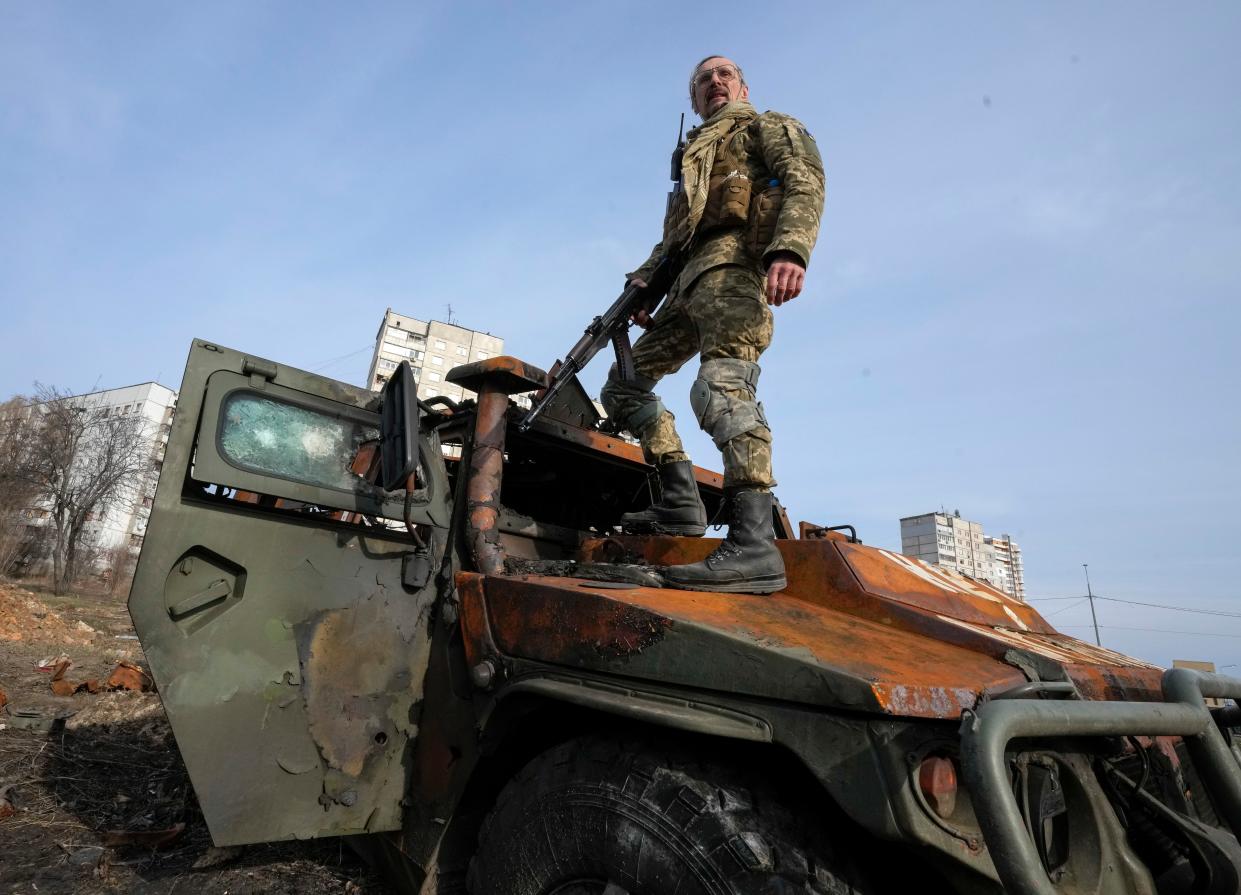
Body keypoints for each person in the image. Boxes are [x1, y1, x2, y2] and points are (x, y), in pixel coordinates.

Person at [600, 55, 825, 594]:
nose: (715, 82)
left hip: (734, 269)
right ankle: (680, 500)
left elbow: (804, 181)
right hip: (685, 285)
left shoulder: (764, 126)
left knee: (721, 386)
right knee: (624, 388)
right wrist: (643, 285)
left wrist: (789, 249)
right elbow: (673, 238)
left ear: (743, 86)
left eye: (725, 74)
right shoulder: (692, 158)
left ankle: (753, 544)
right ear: (694, 99)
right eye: (704, 80)